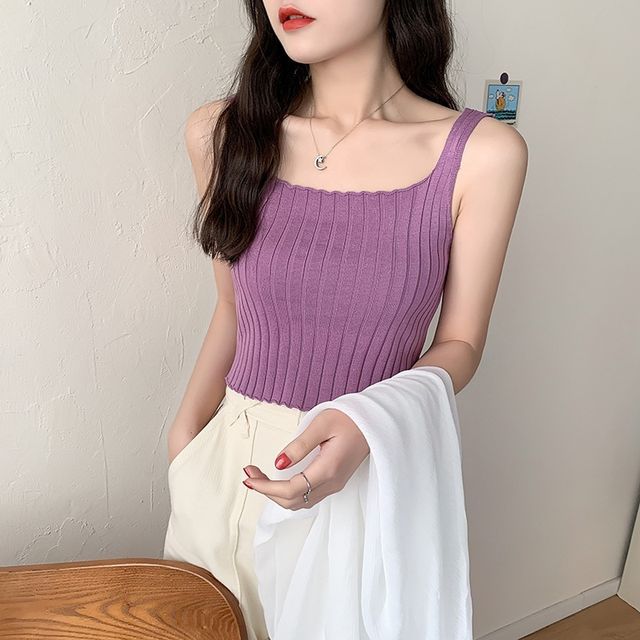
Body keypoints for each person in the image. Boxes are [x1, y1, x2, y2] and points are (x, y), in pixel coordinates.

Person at [163, 0, 528, 639]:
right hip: (224, 474)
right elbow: (232, 307)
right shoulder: (221, 133)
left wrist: (367, 423)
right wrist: (186, 442)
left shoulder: (482, 154)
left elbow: (461, 342)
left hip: (362, 476)